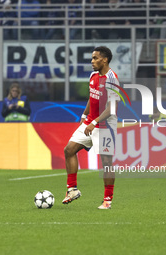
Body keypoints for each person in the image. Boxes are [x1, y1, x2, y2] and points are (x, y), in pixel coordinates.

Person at [62, 46, 120, 210]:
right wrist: (84, 115)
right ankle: (72, 189)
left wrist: (94, 122)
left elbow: (112, 108)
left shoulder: (112, 79)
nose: (92, 61)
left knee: (106, 162)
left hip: (105, 125)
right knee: (69, 150)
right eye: (92, 58)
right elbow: (92, 96)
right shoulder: (93, 75)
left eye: (95, 58)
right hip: (90, 122)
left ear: (105, 60)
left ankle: (107, 200)